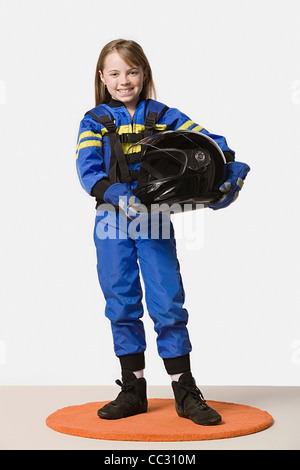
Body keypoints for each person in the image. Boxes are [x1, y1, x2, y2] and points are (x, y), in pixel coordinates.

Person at [75, 39, 250, 426]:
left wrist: (228, 166)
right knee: (120, 302)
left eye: (132, 72)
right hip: (111, 219)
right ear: (102, 78)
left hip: (154, 219)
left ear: (144, 74)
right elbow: (88, 171)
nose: (125, 80)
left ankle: (184, 390)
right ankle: (132, 389)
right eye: (116, 73)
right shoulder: (94, 120)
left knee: (167, 301)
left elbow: (207, 141)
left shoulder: (163, 115)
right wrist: (119, 195)